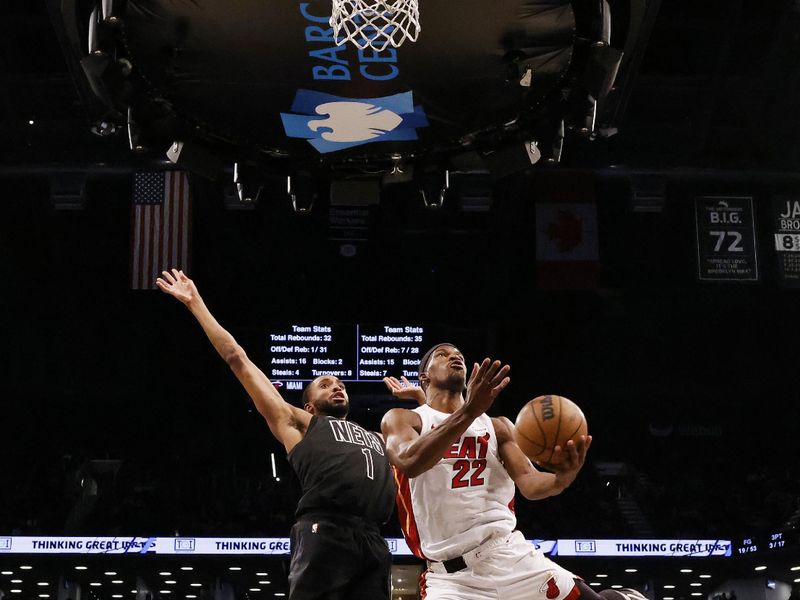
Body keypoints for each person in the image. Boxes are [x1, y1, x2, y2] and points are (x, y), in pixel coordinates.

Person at [156, 269, 395, 600]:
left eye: (340, 383)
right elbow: (237, 359)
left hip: (373, 536)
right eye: (325, 385)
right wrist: (196, 303)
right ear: (309, 405)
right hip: (325, 530)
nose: (337, 386)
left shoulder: (375, 436)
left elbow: (420, 453)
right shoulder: (297, 423)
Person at [382, 343, 647, 600]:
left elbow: (531, 485)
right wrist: (470, 411)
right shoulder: (404, 419)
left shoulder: (497, 426)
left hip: (509, 556)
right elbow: (410, 461)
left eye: (458, 354)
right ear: (424, 377)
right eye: (442, 354)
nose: (454, 356)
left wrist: (562, 478)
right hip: (450, 579)